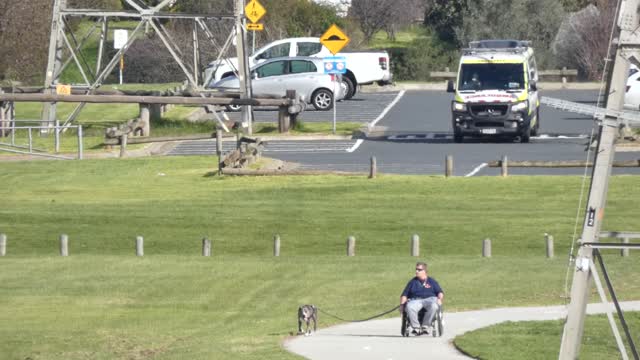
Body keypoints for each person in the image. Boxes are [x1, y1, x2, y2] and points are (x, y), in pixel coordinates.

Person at [400, 262, 444, 335]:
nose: (416, 271)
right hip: (416, 300)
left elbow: (440, 292)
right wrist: (402, 305)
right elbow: (404, 294)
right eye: (416, 269)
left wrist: (440, 299)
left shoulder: (432, 281)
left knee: (434, 306)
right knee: (409, 306)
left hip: (430, 299)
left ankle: (425, 326)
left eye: (419, 270)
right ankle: (416, 327)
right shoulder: (412, 282)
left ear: (424, 271)